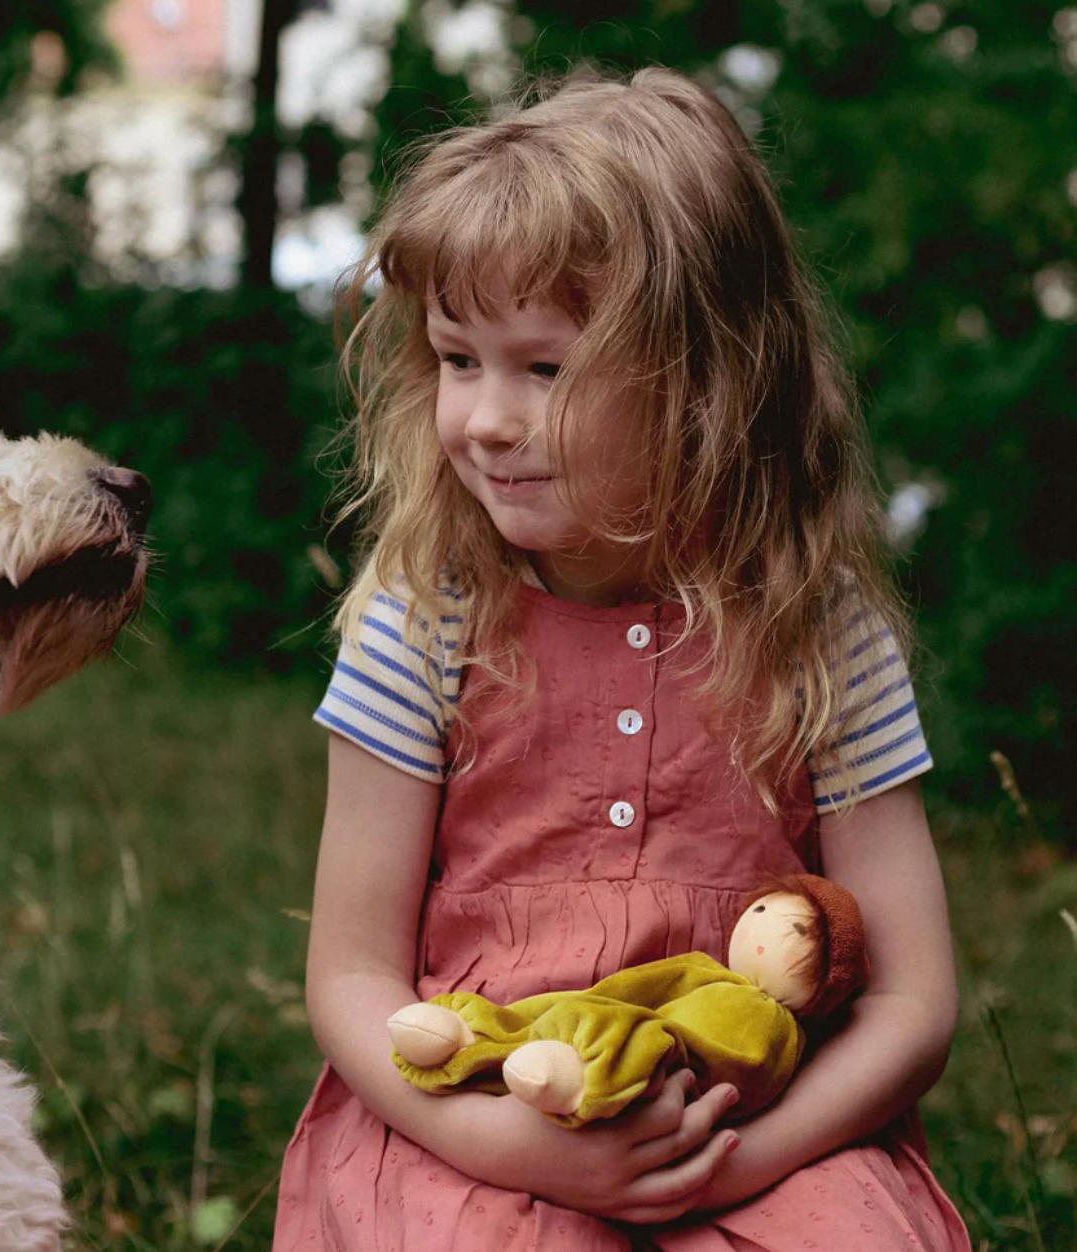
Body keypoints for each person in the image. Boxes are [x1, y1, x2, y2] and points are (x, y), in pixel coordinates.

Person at [274, 66, 971, 1252]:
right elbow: (348, 975)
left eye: (545, 369)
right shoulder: (424, 622)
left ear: (707, 379)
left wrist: (731, 1161)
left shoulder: (815, 626)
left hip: (764, 1131)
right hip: (475, 1125)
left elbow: (913, 1000)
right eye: (457, 358)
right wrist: (507, 1146)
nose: (485, 419)